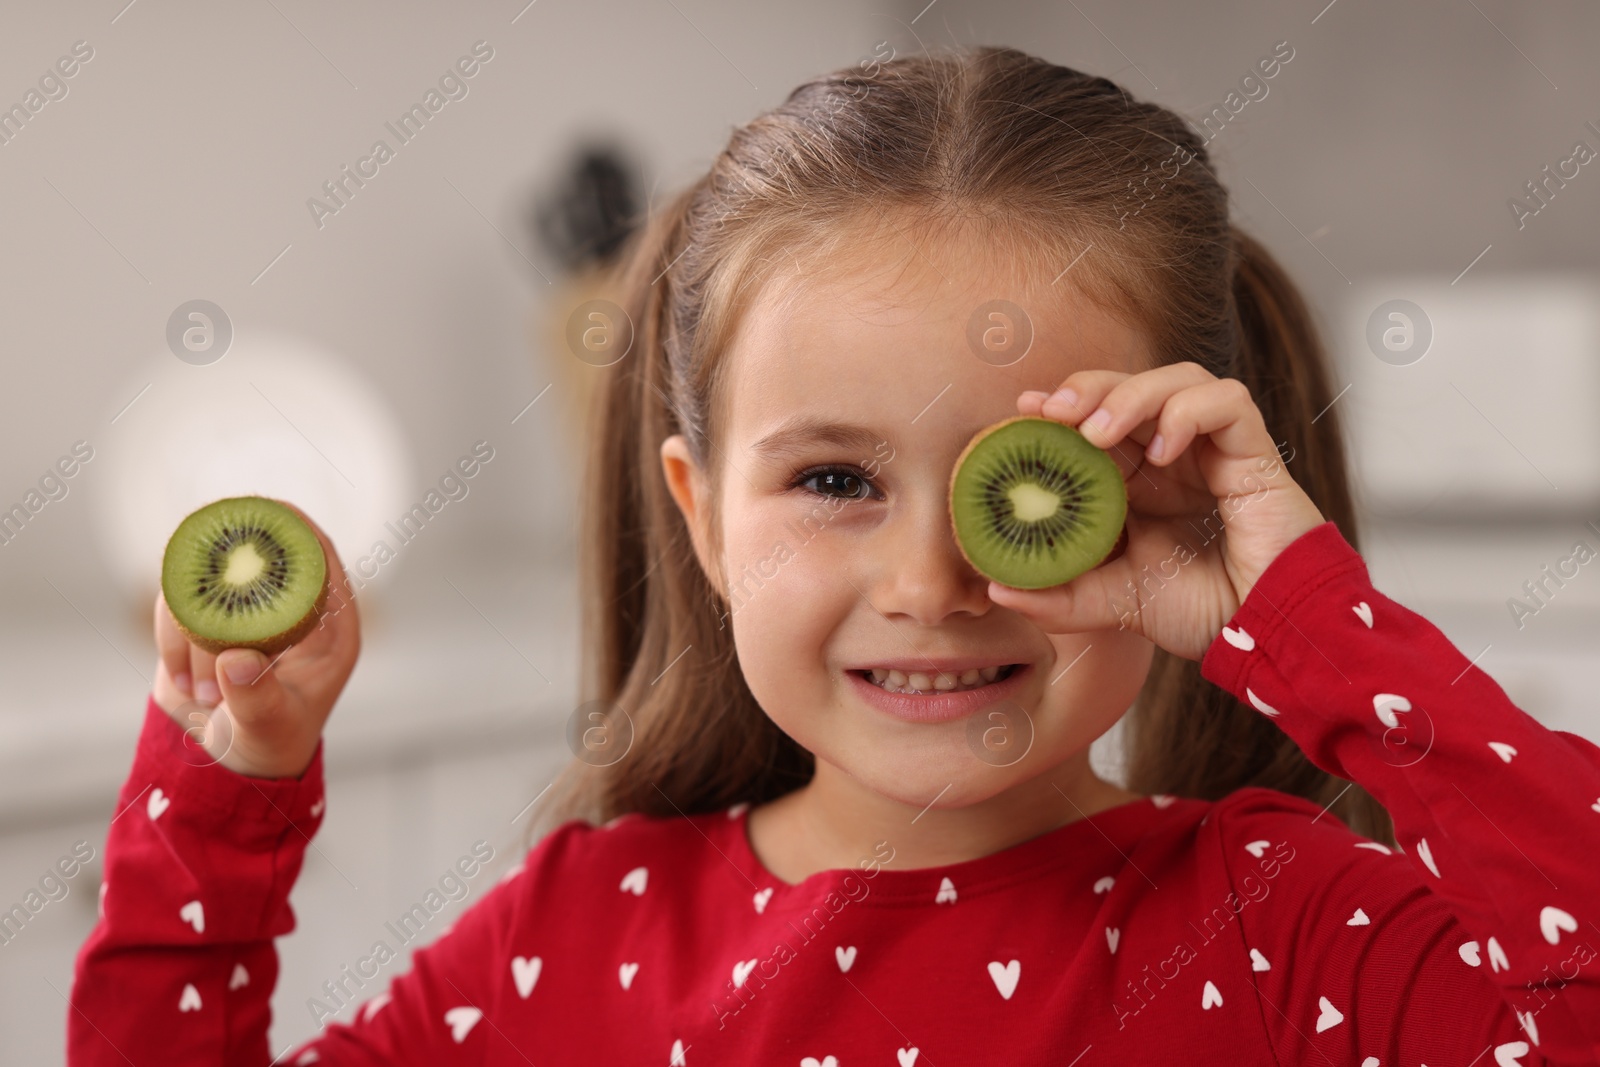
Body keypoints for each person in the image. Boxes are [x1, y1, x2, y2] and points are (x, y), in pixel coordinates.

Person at [69, 45, 1600, 1065]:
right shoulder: (572, 941)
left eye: (1025, 482)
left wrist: (1303, 618)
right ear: (702, 517)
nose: (932, 582)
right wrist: (224, 805)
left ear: (1168, 501)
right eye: (836, 478)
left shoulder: (1282, 928)